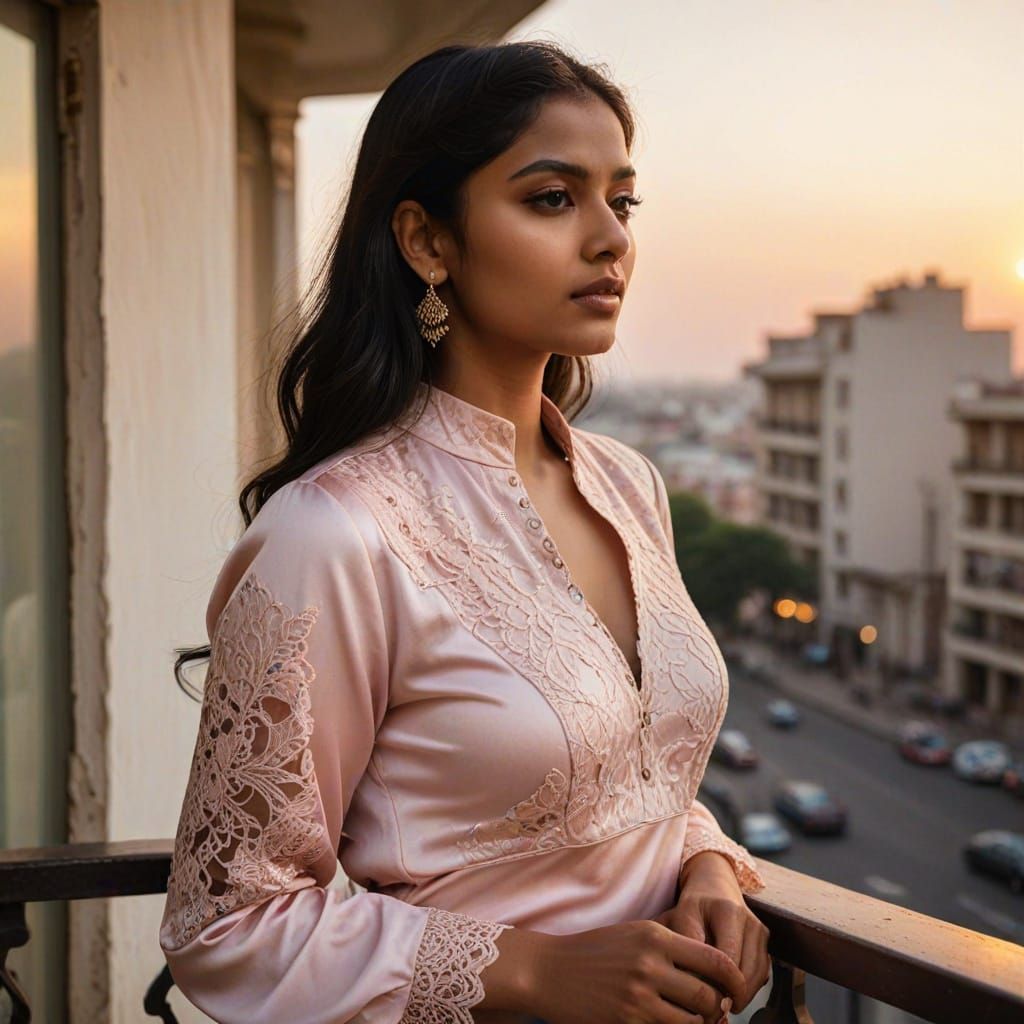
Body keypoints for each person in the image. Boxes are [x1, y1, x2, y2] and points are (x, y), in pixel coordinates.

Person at [158, 39, 770, 1024]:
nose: (610, 239)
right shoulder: (335, 532)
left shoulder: (629, 487)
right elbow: (226, 925)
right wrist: (533, 970)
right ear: (427, 241)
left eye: (622, 201)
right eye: (552, 198)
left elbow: (632, 782)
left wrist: (705, 862)